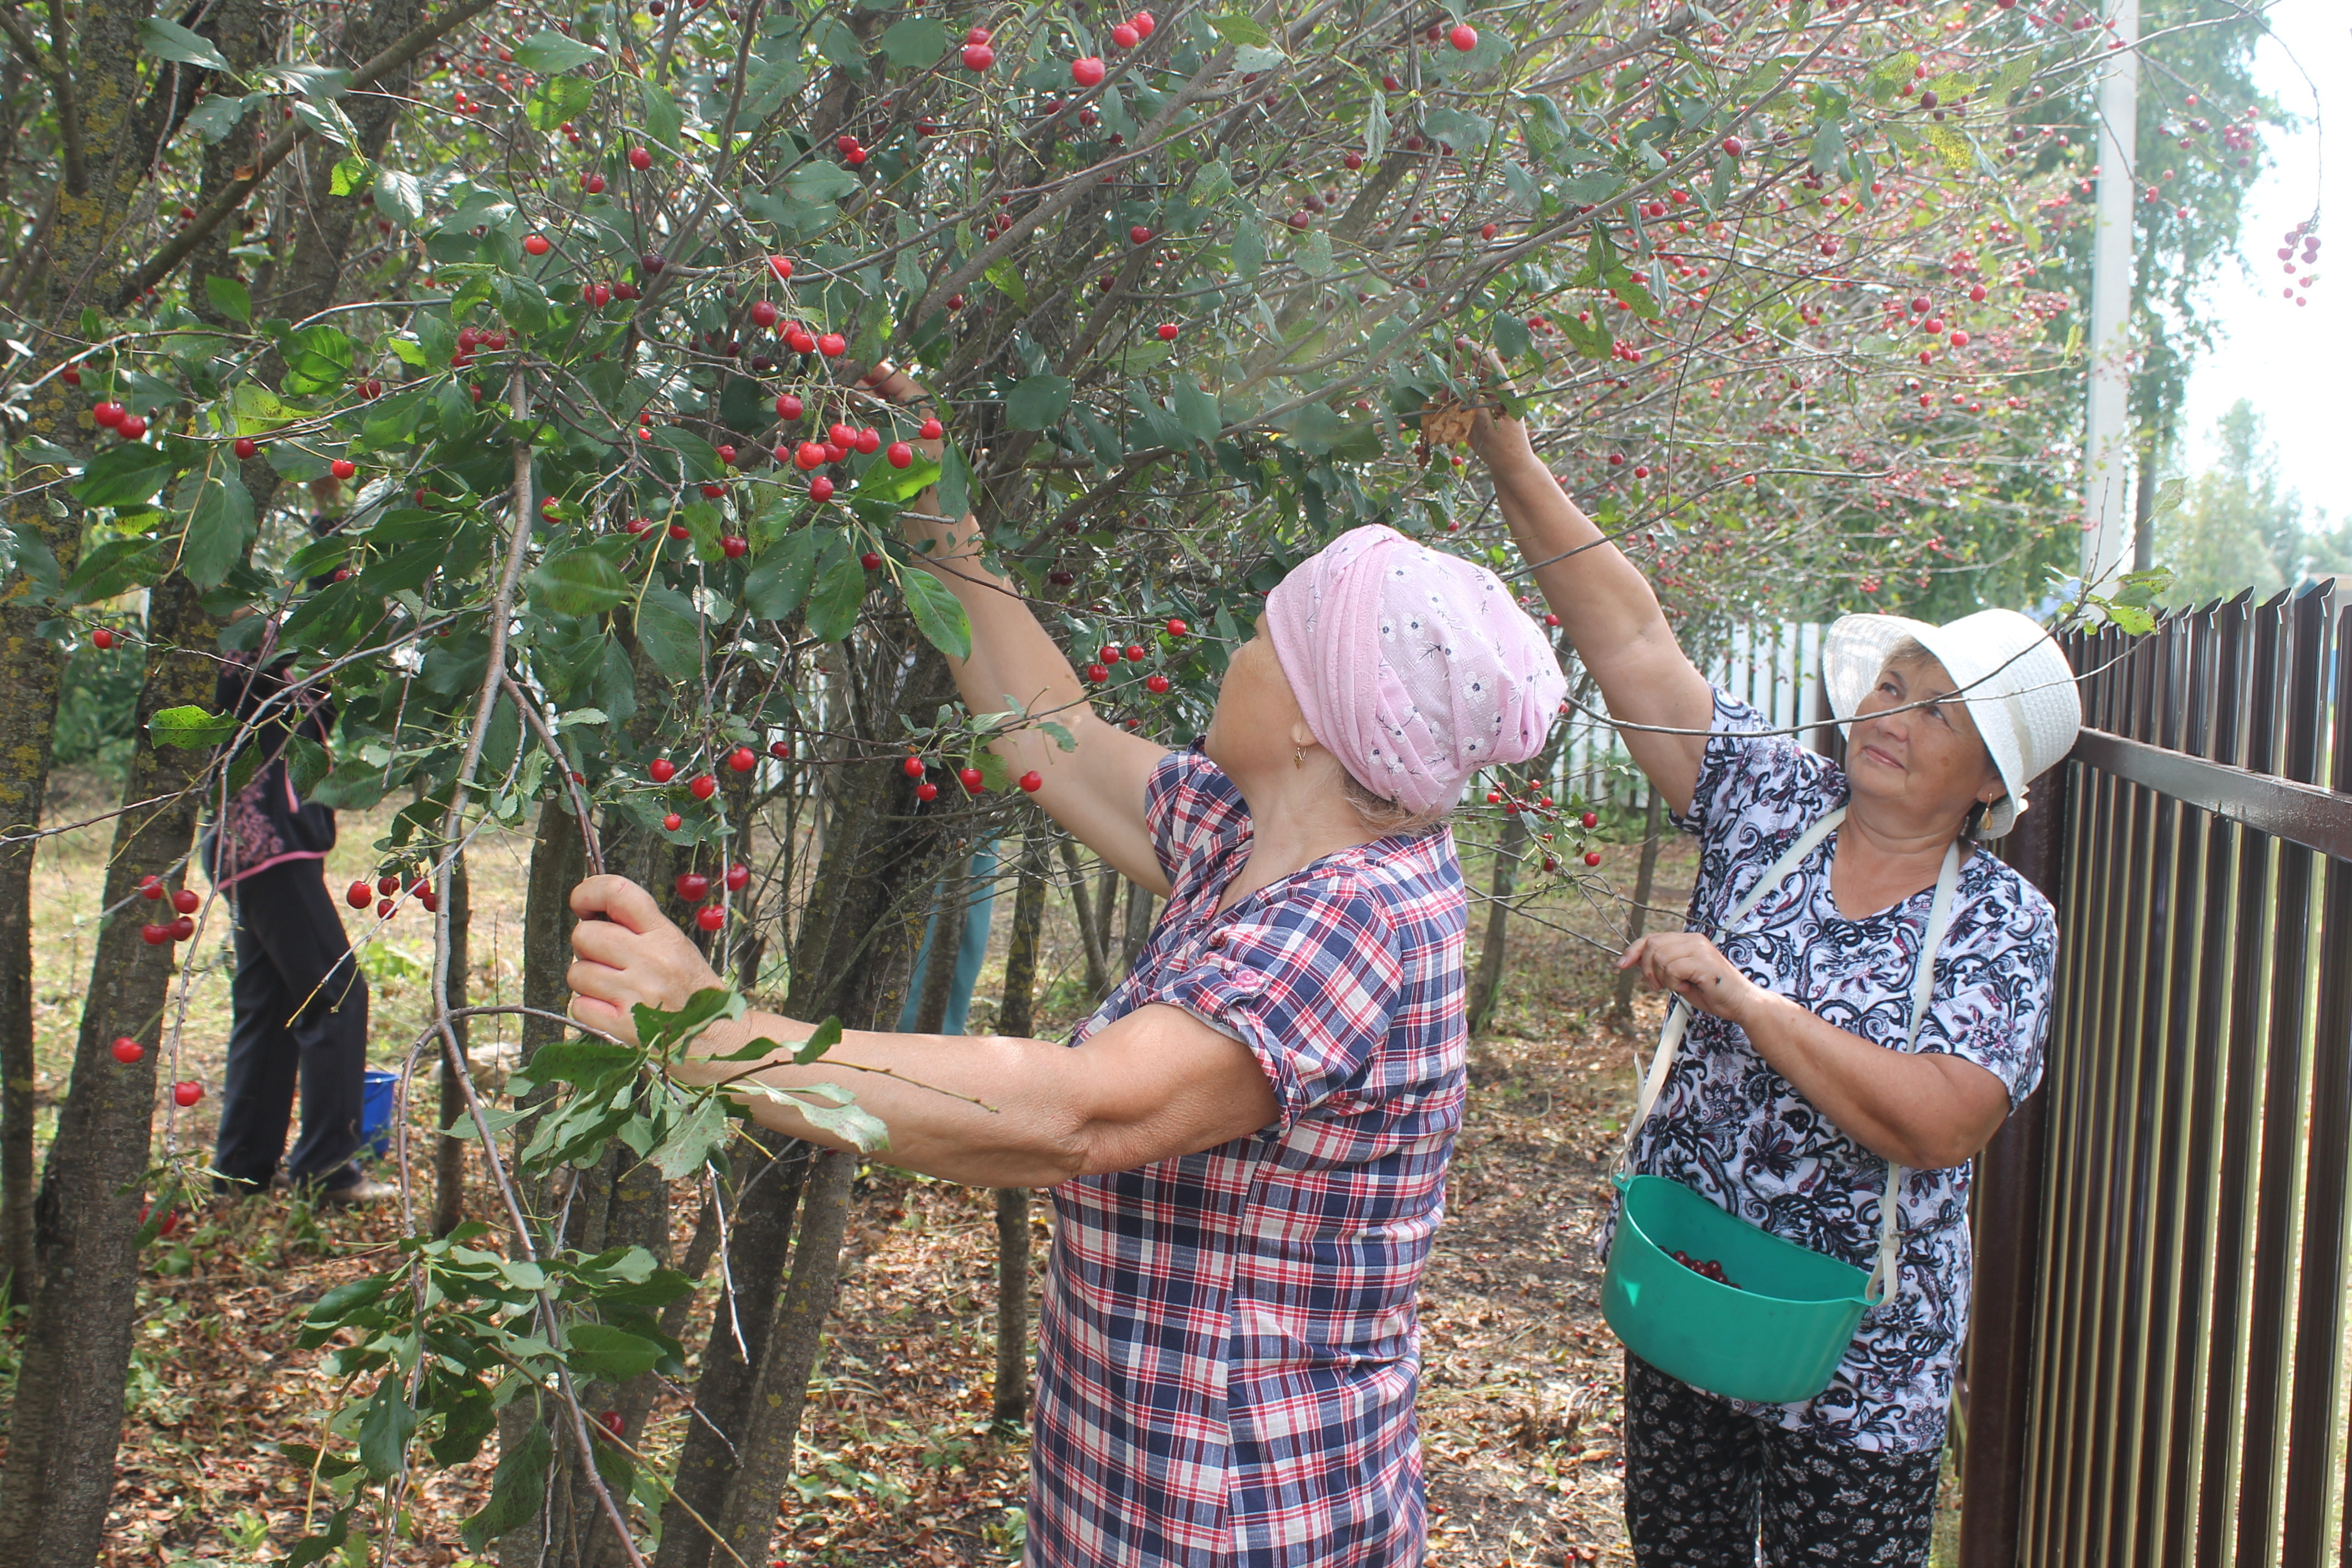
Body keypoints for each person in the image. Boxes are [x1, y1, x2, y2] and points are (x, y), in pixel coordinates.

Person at [566, 366, 1565, 1567]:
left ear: (1317, 714)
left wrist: (714, 1033)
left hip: (1242, 1517)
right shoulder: (1259, 838)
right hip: (1136, 1489)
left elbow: (1080, 1113)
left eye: (1264, 634)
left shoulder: (1350, 921)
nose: (1237, 648)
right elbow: (1057, 735)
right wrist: (940, 524)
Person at [1464, 379, 2077, 1565]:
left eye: (1937, 709)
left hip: (1861, 1363)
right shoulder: (1772, 800)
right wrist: (1511, 460)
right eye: (1893, 685)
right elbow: (1635, 641)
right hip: (1693, 1287)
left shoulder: (2003, 924)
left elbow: (1938, 1121)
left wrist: (1751, 1001)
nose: (1892, 714)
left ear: (1989, 781)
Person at [202, 515, 391, 1205]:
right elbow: (322, 603)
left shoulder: (281, 648)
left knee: (270, 1001)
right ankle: (326, 1171)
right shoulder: (255, 647)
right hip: (267, 848)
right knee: (337, 995)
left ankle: (241, 1170)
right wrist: (328, 519)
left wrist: (327, 510)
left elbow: (329, 600)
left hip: (256, 848)